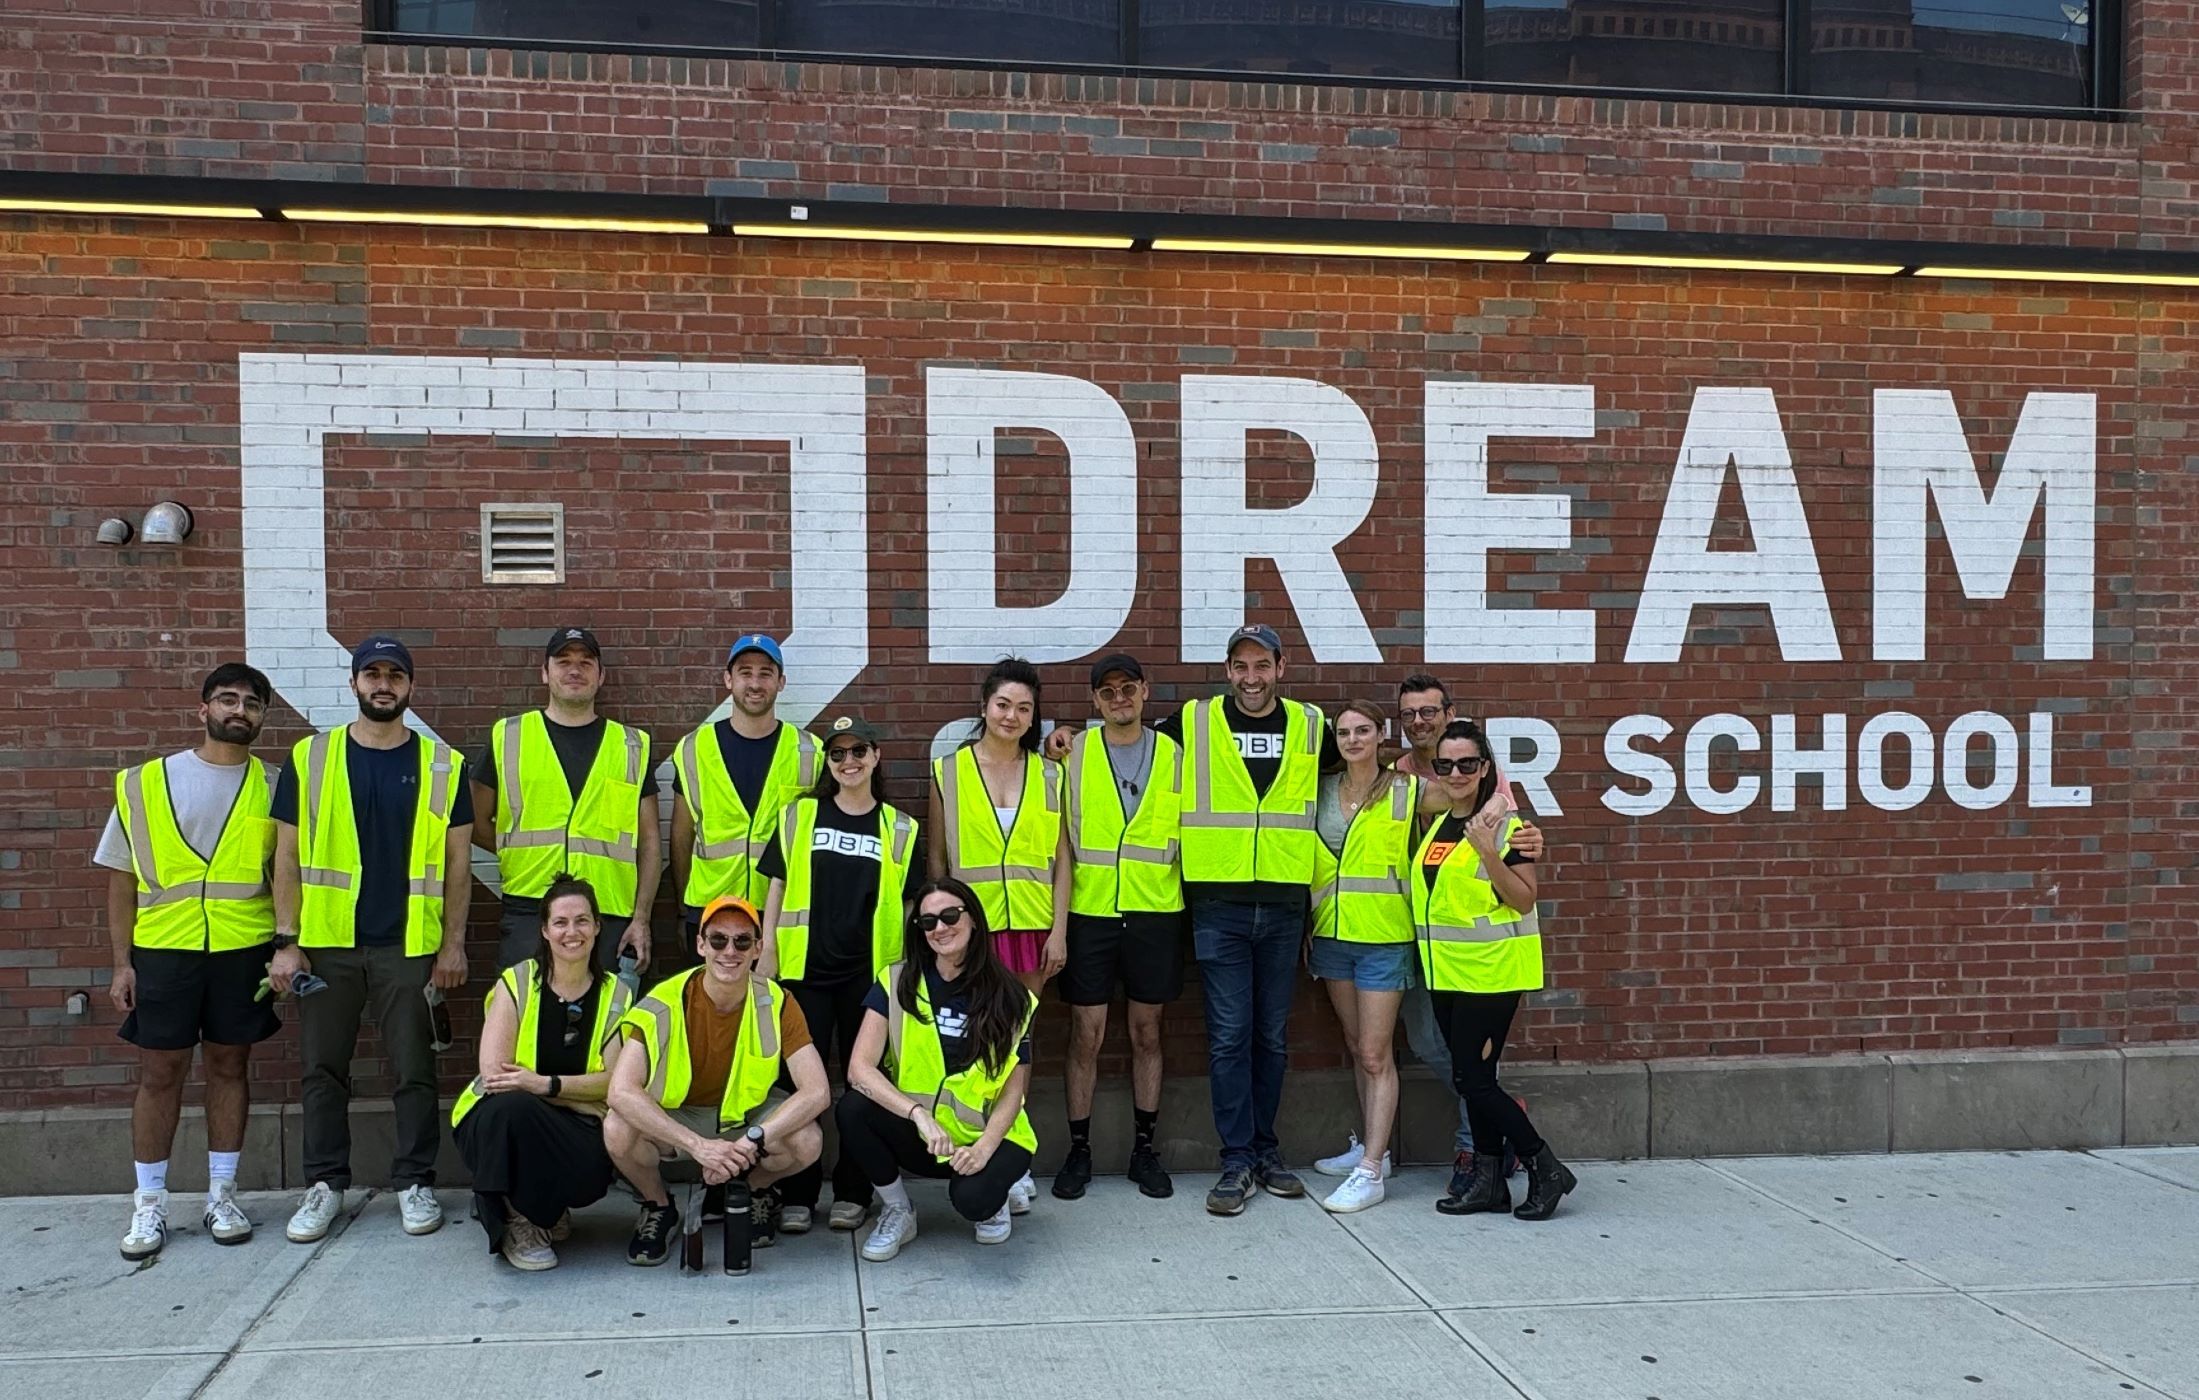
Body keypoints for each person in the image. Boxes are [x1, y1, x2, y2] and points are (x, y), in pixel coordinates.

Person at [270, 636, 471, 1244]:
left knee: (414, 1071)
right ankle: (325, 1184)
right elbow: (285, 855)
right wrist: (286, 939)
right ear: (355, 683)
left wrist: (453, 944)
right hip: (327, 945)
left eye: (395, 675)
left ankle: (416, 1181)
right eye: (372, 674)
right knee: (321, 1070)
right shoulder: (311, 757)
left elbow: (459, 864)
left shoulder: (444, 764)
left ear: (411, 687)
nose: (383, 684)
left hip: (408, 946)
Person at [96, 663, 281, 1260]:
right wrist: (122, 962)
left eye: (252, 704)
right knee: (160, 1073)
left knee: (230, 1067)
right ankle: (149, 1203)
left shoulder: (276, 785)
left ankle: (221, 1194)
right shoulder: (145, 782)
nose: (239, 711)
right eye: (227, 700)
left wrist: (285, 945)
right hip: (164, 950)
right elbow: (121, 879)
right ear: (202, 710)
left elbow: (289, 876)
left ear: (261, 718)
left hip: (241, 948)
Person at [602, 895, 829, 1267]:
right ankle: (658, 1206)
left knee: (808, 1140)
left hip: (745, 1120)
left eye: (742, 941)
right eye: (718, 940)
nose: (730, 951)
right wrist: (698, 1146)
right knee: (617, 1128)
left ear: (758, 949)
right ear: (700, 944)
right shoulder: (664, 1001)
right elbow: (620, 1091)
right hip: (680, 1117)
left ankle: (750, 1190)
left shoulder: (776, 1000)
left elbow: (817, 1091)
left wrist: (750, 1141)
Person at [758, 713, 919, 1234]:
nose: (848, 762)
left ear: (875, 757)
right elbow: (777, 886)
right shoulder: (801, 816)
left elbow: (912, 903)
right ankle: (797, 1193)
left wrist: (901, 973)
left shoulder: (900, 828)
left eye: (858, 752)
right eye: (838, 754)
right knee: (797, 1083)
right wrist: (767, 950)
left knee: (863, 1085)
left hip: (868, 980)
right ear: (829, 762)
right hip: (804, 973)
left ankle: (854, 1192)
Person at [1414, 720, 1575, 1221]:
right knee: (1471, 1079)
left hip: (1493, 971)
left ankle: (1545, 1166)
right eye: (1445, 765)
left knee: (1476, 1081)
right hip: (1448, 972)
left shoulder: (1511, 828)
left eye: (1467, 763)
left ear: (1485, 768)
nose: (1456, 773)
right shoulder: (1442, 821)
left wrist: (1489, 852)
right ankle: (1487, 1183)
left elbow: (1524, 897)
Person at [928, 657, 1066, 1213]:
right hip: (972, 934)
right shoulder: (949, 771)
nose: (1012, 716)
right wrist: (943, 930)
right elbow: (938, 860)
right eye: (1003, 704)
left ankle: (1012, 1158)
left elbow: (1063, 860)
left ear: (1034, 717)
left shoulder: (1051, 773)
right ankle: (982, 1151)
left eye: (1024, 708)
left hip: (1032, 929)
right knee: (975, 1047)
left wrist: (1060, 929)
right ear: (984, 706)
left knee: (1018, 1050)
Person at [838, 879, 1039, 1260]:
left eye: (950, 916)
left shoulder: (1012, 995)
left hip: (989, 1136)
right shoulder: (897, 981)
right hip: (927, 1135)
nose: (940, 928)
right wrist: (918, 1116)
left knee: (974, 1203)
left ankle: (998, 1188)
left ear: (974, 920)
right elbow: (859, 1069)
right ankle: (899, 1210)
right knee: (852, 1109)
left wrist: (983, 1149)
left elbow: (1015, 1091)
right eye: (928, 922)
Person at [1390, 673, 1530, 1195]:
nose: (1419, 722)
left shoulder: (1483, 778)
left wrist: (1508, 831)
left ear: (1450, 713)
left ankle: (1478, 1144)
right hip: (1419, 934)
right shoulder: (1398, 774)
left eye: (1429, 712)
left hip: (1475, 950)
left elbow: (1506, 827)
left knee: (1469, 1060)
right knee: (1429, 1038)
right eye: (1409, 714)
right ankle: (1495, 1112)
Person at [451, 874, 635, 1271]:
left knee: (581, 1155)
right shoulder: (516, 982)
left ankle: (547, 1208)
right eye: (561, 922)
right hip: (495, 1120)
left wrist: (542, 1084)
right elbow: (496, 1077)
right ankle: (521, 1220)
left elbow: (617, 1083)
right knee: (514, 1109)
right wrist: (577, 1097)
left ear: (598, 926)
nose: (573, 932)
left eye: (582, 920)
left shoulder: (617, 994)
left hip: (573, 1130)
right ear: (544, 930)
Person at [1051, 652, 1181, 1202]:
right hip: (1090, 912)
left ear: (1145, 691)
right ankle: (1079, 1150)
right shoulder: (1070, 754)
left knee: (1148, 1033)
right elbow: (1057, 835)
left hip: (1156, 911)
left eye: (1129, 687)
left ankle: (1144, 1150)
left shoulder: (1178, 755)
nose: (1120, 698)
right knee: (1087, 1035)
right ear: (1094, 701)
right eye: (1108, 692)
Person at [471, 627, 658, 972]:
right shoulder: (510, 736)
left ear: (601, 676)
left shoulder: (631, 745)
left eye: (586, 662)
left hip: (609, 914)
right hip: (530, 909)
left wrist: (641, 918)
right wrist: (518, 853)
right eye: (563, 661)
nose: (575, 670)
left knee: (609, 1023)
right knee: (525, 1020)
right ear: (545, 672)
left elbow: (648, 841)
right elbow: (475, 820)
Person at [1305, 699, 1418, 1214]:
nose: (1353, 739)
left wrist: (1512, 820)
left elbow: (1475, 797)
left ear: (1380, 735)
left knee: (1376, 1054)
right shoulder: (1322, 790)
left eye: (1363, 730)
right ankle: (1375, 1152)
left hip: (1384, 939)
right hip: (1331, 936)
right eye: (1344, 731)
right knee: (1357, 1047)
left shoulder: (1407, 789)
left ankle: (1370, 1172)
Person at [670, 634, 819, 947]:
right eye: (745, 672)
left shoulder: (809, 752)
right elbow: (681, 835)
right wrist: (684, 908)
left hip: (781, 913)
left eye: (765, 673)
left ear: (781, 682)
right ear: (728, 679)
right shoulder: (694, 748)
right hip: (710, 909)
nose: (755, 683)